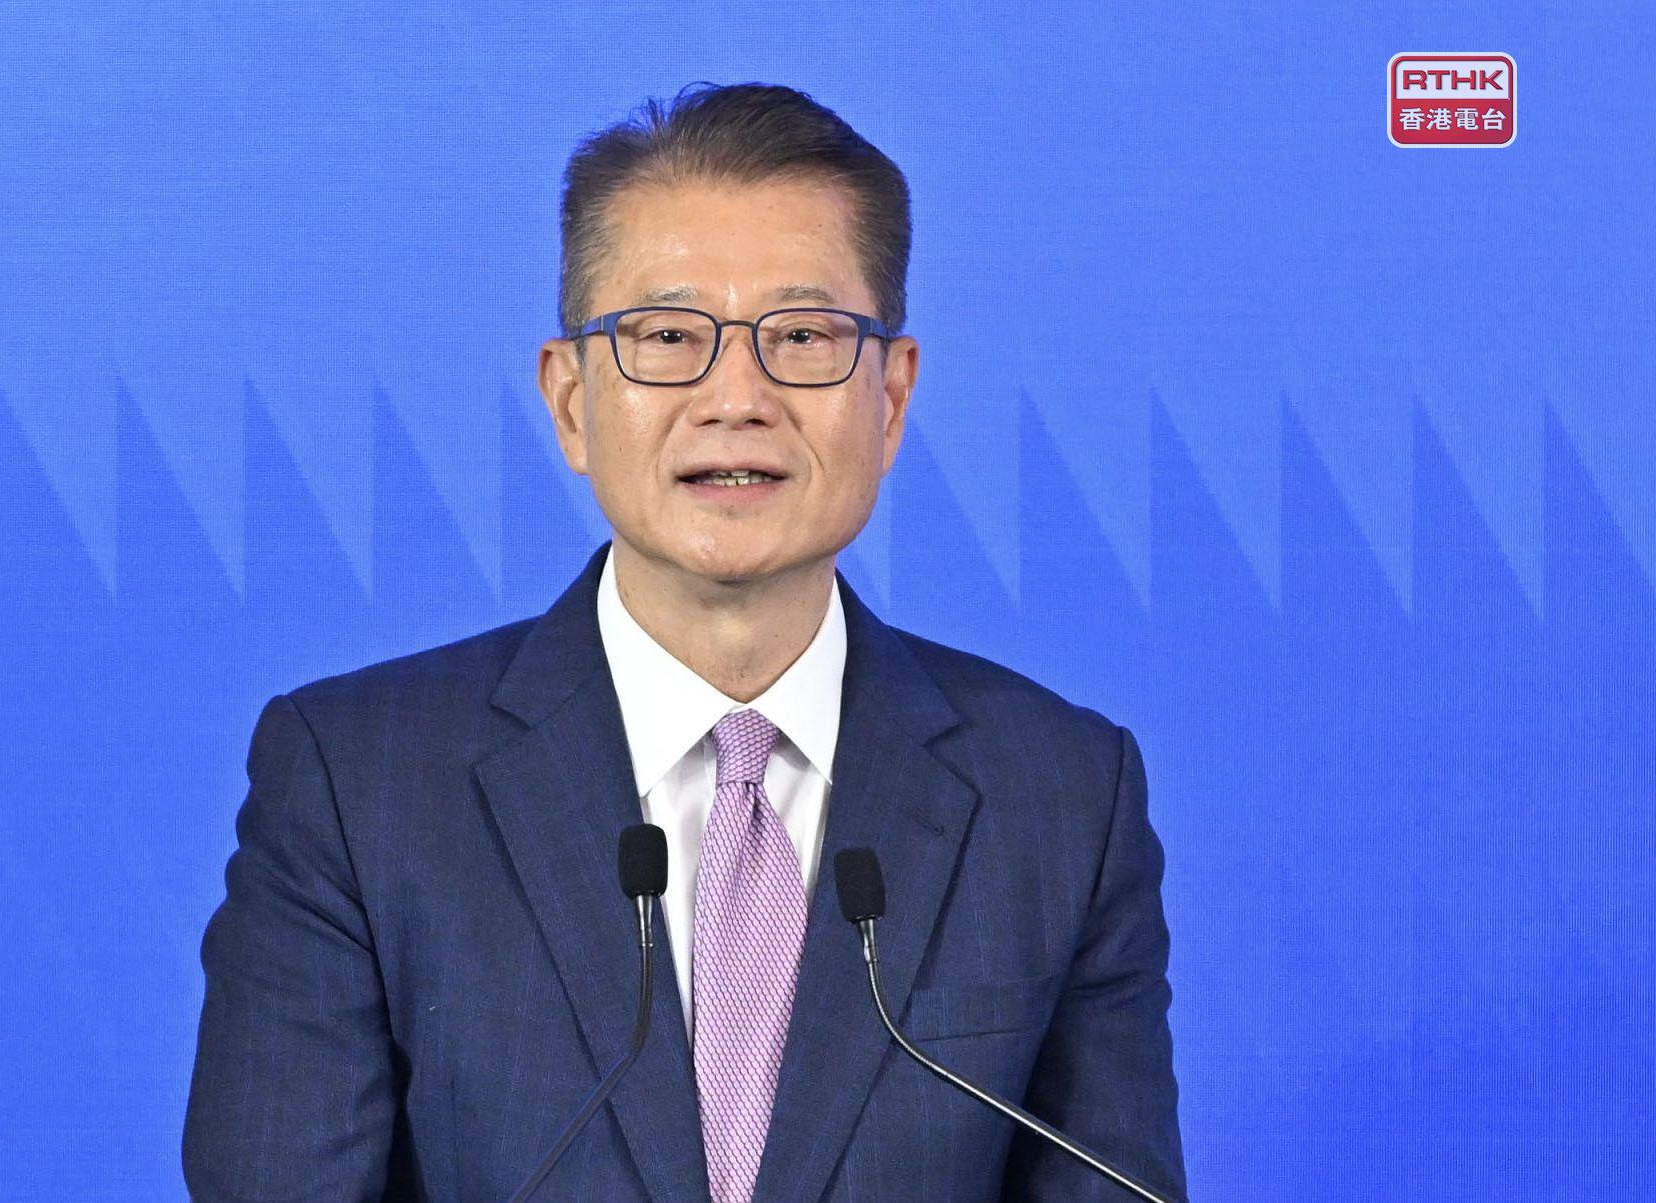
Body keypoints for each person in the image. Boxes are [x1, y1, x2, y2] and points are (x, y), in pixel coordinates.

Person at [184, 82, 1184, 1202]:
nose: (735, 398)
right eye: (667, 337)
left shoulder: (1059, 795)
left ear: (892, 397)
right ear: (570, 401)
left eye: (802, 336)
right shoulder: (356, 783)